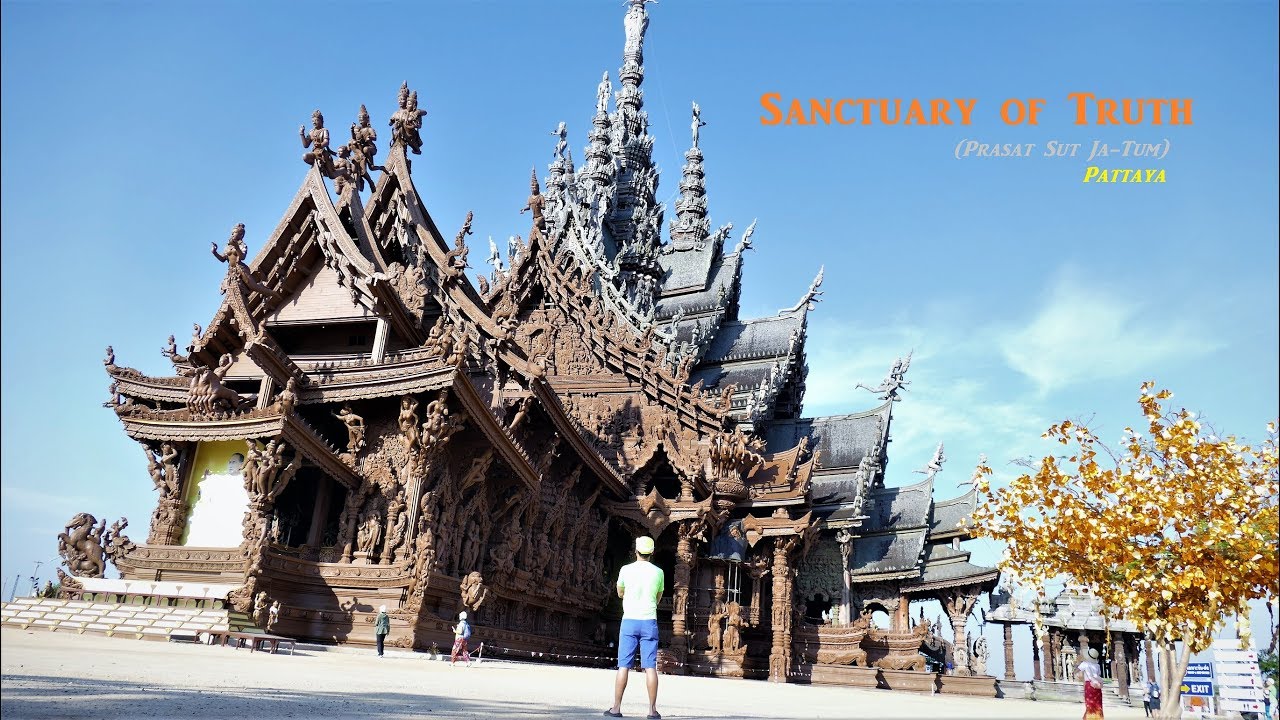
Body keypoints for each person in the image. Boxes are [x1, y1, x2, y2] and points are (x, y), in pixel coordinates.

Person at [605, 536, 664, 720]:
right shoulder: (658, 572)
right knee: (650, 667)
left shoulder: (625, 570)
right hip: (649, 621)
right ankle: (652, 710)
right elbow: (658, 597)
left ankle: (616, 708)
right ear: (652, 553)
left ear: (636, 551)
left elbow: (620, 592)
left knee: (623, 666)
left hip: (629, 620)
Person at [1078, 648, 1104, 719]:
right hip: (1097, 685)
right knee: (1097, 703)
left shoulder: (1085, 664)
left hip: (1089, 685)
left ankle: (1089, 717)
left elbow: (1077, 670)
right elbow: (1098, 675)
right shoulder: (1097, 665)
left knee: (1090, 703)